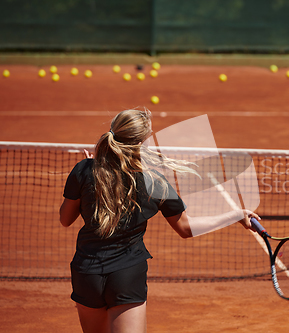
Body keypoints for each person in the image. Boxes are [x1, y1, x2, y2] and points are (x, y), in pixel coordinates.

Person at [60, 109, 259, 333]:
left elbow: (65, 219)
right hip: (127, 275)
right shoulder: (155, 182)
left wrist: (86, 173)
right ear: (142, 142)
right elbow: (185, 228)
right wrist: (236, 215)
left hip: (87, 273)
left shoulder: (83, 171)